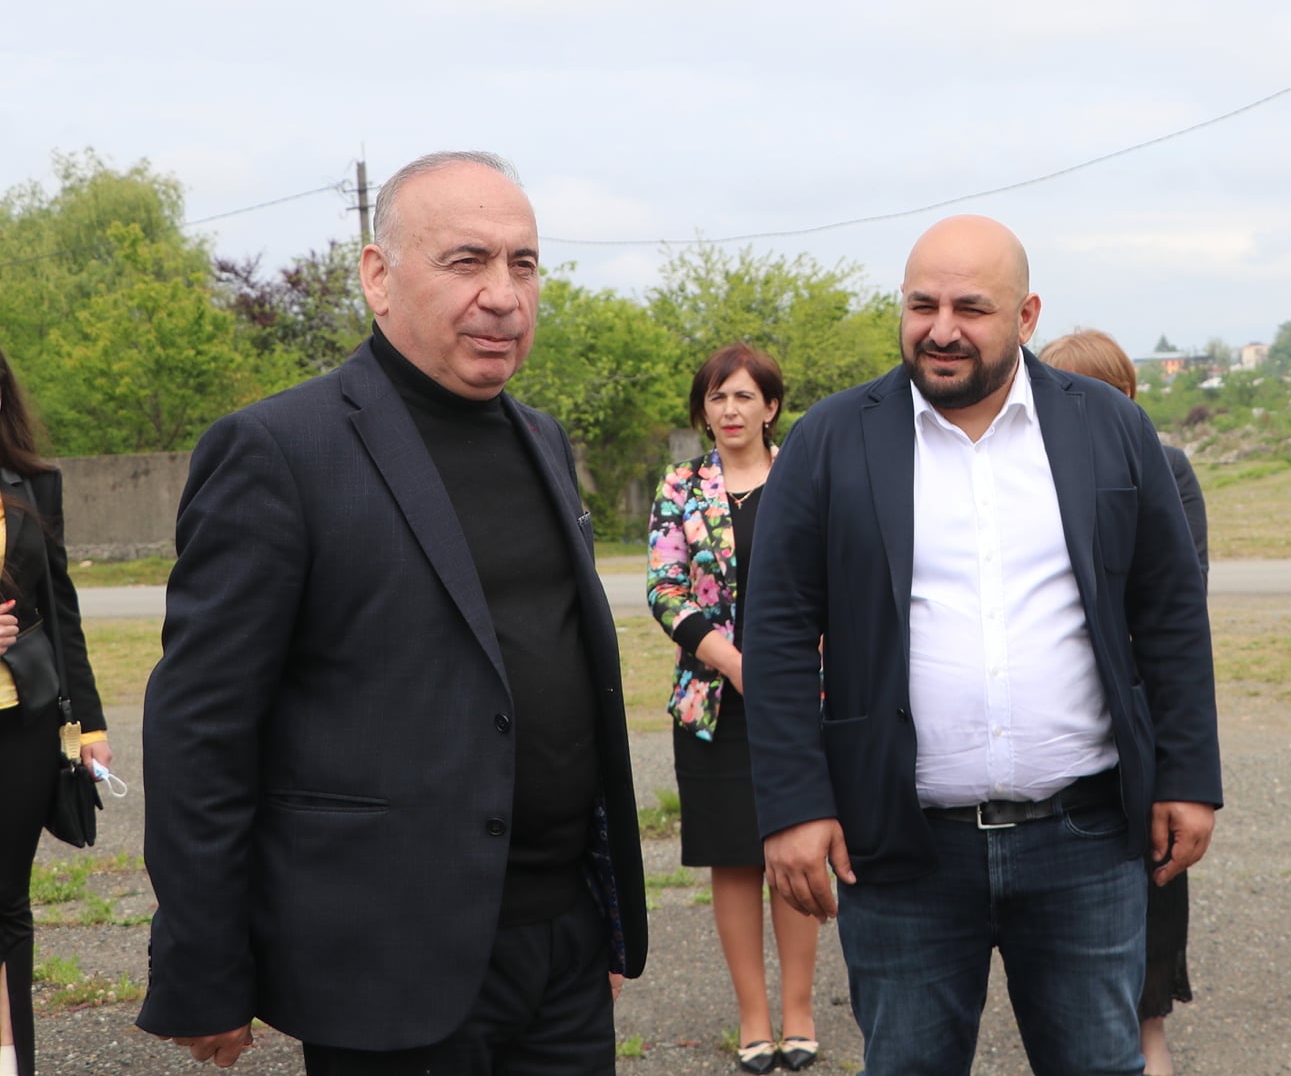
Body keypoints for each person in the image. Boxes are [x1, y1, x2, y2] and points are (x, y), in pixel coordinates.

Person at [137, 151, 647, 1073]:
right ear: (378, 276)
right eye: (467, 261)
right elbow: (202, 730)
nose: (503, 296)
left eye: (523, 264)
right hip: (388, 966)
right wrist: (204, 965)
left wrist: (595, 915)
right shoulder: (279, 451)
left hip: (563, 952)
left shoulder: (541, 438)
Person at [744, 215, 1223, 1076]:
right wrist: (793, 804)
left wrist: (1187, 774)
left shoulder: (1110, 429)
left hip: (1084, 838)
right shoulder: (831, 440)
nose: (942, 329)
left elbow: (1170, 613)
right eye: (921, 305)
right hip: (900, 850)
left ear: (1027, 315)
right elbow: (776, 628)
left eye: (971, 307)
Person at [646, 343, 820, 1074]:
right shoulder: (682, 485)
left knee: (797, 852)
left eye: (745, 396)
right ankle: (754, 1016)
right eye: (717, 397)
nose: (730, 410)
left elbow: (835, 579)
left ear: (771, 406)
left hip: (801, 701)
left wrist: (791, 669)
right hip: (714, 703)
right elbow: (665, 589)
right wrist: (740, 664)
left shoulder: (804, 477)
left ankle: (800, 1011)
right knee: (735, 860)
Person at [1037, 329, 1207, 1076]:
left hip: (1135, 730)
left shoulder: (1165, 467)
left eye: (1103, 395)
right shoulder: (1025, 473)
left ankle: (1149, 1021)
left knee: (1150, 906)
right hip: (1060, 754)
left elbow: (1178, 601)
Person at [0, 348, 110, 1076]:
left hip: (24, 723)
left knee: (7, 901)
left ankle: (13, 1062)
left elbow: (61, 612)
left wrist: (89, 726)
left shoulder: (36, 484)